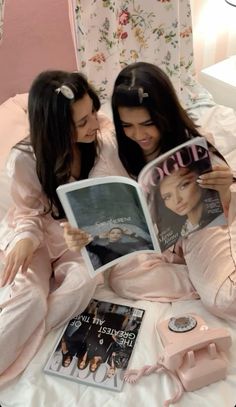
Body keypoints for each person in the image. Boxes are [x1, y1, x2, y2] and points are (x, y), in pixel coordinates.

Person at [64, 62, 236, 322]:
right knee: (122, 279)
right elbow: (98, 202)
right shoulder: (112, 151)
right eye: (127, 126)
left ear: (164, 115)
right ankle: (198, 278)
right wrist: (82, 233)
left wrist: (224, 190)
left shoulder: (190, 144)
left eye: (147, 123)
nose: (139, 134)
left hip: (195, 227)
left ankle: (208, 279)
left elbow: (220, 211)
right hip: (151, 247)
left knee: (225, 298)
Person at [0, 69, 114, 385]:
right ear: (56, 129)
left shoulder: (99, 143)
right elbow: (27, 211)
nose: (94, 124)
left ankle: (34, 331)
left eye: (93, 111)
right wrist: (24, 238)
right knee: (29, 298)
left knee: (85, 280)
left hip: (77, 238)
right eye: (82, 122)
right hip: (36, 234)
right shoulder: (24, 159)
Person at [87, 225, 153, 266]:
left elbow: (145, 243)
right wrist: (98, 236)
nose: (115, 235)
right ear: (108, 235)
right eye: (113, 233)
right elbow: (88, 245)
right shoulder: (102, 248)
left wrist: (131, 234)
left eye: (118, 233)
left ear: (121, 236)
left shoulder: (127, 244)